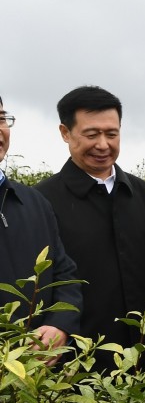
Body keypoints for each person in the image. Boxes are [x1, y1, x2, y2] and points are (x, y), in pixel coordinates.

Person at [36, 86, 145, 371]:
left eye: (112, 134)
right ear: (65, 133)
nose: (103, 145)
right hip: (77, 366)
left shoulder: (142, 194)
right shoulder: (42, 200)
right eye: (92, 134)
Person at [0, 93, 82, 362]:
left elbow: (63, 272)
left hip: (36, 375)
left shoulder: (34, 202)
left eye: (1, 119)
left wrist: (60, 325)